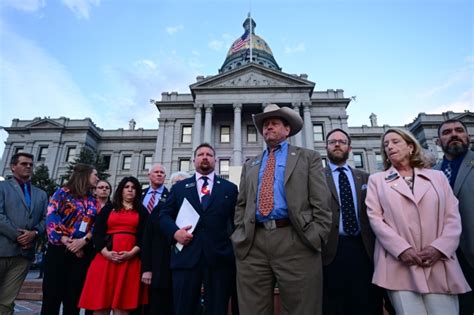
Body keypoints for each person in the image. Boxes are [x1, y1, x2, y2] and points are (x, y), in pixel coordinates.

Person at [231, 104, 332, 315]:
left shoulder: (308, 157)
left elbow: (322, 202)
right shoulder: (251, 164)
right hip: (253, 242)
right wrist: (240, 233)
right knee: (253, 309)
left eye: (274, 123)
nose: (268, 128)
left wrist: (316, 235)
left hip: (296, 238)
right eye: (265, 125)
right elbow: (242, 203)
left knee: (301, 308)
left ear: (287, 130)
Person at [365, 128, 471, 315]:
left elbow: (452, 216)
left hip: (439, 262)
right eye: (386, 144)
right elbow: (376, 219)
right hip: (399, 264)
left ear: (411, 146)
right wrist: (402, 249)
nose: (389, 146)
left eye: (395, 142)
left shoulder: (437, 177)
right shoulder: (377, 180)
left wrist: (439, 248)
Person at [160, 143, 238, 315]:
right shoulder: (179, 187)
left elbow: (237, 222)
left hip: (219, 258)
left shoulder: (230, 189)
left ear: (215, 160)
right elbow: (164, 215)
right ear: (194, 160)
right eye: (201, 154)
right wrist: (175, 233)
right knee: (183, 308)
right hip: (186, 257)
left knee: (217, 309)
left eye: (209, 155)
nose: (205, 157)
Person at [322, 128, 384, 315]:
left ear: (349, 148)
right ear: (326, 147)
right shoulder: (315, 177)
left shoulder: (365, 178)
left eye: (342, 141)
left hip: (363, 248)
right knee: (333, 305)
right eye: (333, 142)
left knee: (366, 303)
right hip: (330, 249)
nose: (337, 144)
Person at [79, 176, 148, 314]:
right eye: (127, 187)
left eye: (133, 188)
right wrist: (105, 253)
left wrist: (132, 253)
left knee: (122, 307)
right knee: (100, 305)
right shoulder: (109, 208)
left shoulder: (142, 211)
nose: (130, 190)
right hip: (105, 260)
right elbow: (97, 233)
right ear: (121, 190)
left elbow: (145, 237)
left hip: (130, 262)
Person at [41, 163, 99, 315]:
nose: (98, 178)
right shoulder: (62, 193)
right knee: (51, 298)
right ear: (85, 175)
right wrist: (66, 240)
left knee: (73, 300)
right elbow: (52, 217)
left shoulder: (93, 200)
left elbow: (97, 224)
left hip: (80, 254)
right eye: (95, 175)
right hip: (58, 250)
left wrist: (83, 241)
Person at [0, 152, 48, 315]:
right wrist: (19, 236)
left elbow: (45, 219)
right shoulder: (2, 187)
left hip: (23, 255)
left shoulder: (41, 194)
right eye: (24, 164)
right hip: (2, 248)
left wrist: (34, 233)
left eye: (30, 164)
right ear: (13, 167)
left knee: (7, 301)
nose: (28, 166)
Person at [434, 119, 474, 315]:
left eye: (459, 130)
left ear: (469, 136)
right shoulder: (432, 173)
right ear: (438, 142)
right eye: (447, 132)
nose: (454, 135)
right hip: (449, 256)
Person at [141, 173, 189, 315]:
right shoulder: (159, 209)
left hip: (185, 268)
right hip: (160, 269)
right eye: (175, 184)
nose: (178, 186)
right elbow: (148, 239)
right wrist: (147, 268)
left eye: (182, 183)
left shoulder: (194, 208)